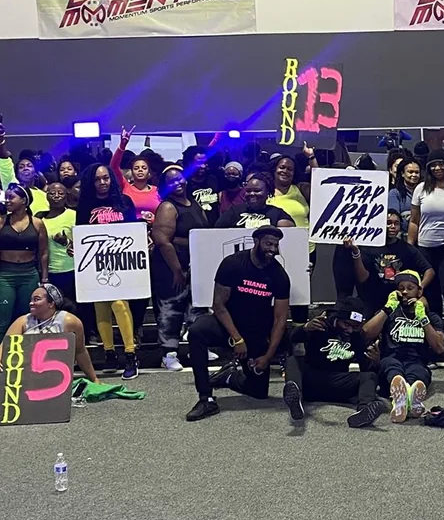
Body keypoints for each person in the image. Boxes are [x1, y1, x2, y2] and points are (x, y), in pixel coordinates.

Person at [186, 226, 291, 421]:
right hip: (228, 324)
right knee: (197, 331)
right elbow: (218, 306)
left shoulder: (279, 275)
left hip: (256, 329)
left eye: (276, 245)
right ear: (256, 242)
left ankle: (229, 377)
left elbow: (280, 319)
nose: (273, 249)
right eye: (269, 243)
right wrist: (237, 338)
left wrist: (268, 356)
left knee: (259, 392)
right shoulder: (233, 264)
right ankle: (206, 398)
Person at [0, 284, 101, 428]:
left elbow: (80, 351)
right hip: (25, 375)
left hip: (54, 378)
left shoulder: (70, 322)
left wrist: (94, 378)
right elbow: (3, 347)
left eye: (36, 299)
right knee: (1, 374)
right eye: (31, 299)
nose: (31, 303)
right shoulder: (23, 321)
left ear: (51, 303)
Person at [76, 166, 141, 378]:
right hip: (96, 261)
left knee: (120, 304)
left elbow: (134, 230)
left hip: (121, 260)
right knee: (100, 306)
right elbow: (81, 234)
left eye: (106, 178)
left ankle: (130, 354)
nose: (102, 183)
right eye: (97, 180)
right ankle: (109, 352)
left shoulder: (124, 202)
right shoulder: (85, 205)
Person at [283, 296, 387, 427]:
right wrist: (305, 328)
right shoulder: (319, 326)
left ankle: (364, 410)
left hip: (337, 383)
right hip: (312, 382)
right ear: (337, 318)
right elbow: (289, 340)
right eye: (346, 324)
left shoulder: (356, 336)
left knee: (368, 377)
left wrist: (376, 362)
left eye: (354, 326)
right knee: (294, 360)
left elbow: (366, 370)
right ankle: (296, 399)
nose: (349, 329)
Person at [361, 269, 444, 422]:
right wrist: (387, 309)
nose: (405, 292)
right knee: (392, 367)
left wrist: (423, 318)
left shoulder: (431, 316)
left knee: (418, 373)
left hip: (416, 361)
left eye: (410, 288)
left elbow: (440, 347)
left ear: (419, 291)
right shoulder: (390, 312)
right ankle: (405, 396)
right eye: (401, 288)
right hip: (391, 358)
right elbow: (366, 333)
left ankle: (406, 397)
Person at [151, 165, 207, 372]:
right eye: (172, 181)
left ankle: (197, 348)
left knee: (196, 308)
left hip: (194, 265)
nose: (178, 183)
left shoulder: (193, 203)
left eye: (180, 179)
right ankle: (169, 353)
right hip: (171, 267)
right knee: (171, 310)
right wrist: (177, 270)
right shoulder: (167, 207)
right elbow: (162, 241)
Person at [336, 211, 433, 316]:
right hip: (371, 300)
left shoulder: (407, 248)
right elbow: (362, 278)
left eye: (396, 223)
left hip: (398, 300)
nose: (393, 226)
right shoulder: (369, 247)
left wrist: (419, 288)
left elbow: (429, 271)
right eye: (388, 222)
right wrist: (356, 254)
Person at [0, 184, 48, 349]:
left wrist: (44, 278)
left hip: (29, 274)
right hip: (6, 274)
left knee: (27, 319)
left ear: (24, 200)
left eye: (11, 197)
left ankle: (24, 362)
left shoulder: (37, 223)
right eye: (6, 197)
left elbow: (43, 252)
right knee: (2, 322)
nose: (7, 201)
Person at [410, 155, 444, 316]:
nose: (437, 168)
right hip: (426, 248)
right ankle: (436, 330)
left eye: (441, 164)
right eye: (433, 165)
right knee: (430, 293)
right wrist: (409, 246)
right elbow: (414, 221)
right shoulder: (421, 188)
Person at [215, 173, 295, 229]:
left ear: (268, 192)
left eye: (257, 191)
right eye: (248, 191)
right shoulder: (234, 212)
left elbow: (290, 232)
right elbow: (216, 232)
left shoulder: (277, 213)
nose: (252, 194)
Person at [41, 181, 77, 302]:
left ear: (66, 196)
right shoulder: (40, 218)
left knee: (72, 305)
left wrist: (66, 241)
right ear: (46, 196)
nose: (56, 196)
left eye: (60, 193)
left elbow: (82, 242)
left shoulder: (73, 215)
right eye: (52, 193)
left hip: (70, 269)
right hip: (49, 271)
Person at [268, 155, 310, 227]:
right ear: (274, 169)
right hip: (276, 237)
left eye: (290, 169)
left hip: (304, 237)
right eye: (282, 167)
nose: (285, 171)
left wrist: (311, 157)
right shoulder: (266, 191)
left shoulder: (301, 188)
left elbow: (318, 186)